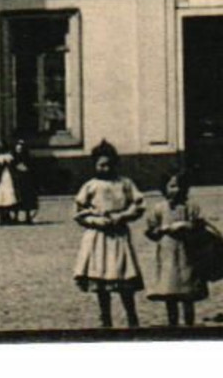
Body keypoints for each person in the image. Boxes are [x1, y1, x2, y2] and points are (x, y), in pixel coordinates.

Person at [73, 140, 146, 329]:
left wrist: (122, 216)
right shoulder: (90, 186)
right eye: (101, 165)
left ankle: (132, 316)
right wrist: (95, 221)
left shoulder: (124, 183)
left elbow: (137, 205)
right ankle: (105, 317)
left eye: (109, 164)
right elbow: (79, 213)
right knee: (100, 280)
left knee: (123, 277)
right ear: (95, 165)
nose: (105, 168)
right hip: (98, 238)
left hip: (119, 237)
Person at [145, 173, 209, 327]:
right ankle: (172, 323)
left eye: (181, 186)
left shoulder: (192, 207)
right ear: (164, 188)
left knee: (188, 292)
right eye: (172, 186)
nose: (177, 190)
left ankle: (189, 324)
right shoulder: (159, 208)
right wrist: (162, 230)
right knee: (170, 291)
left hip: (188, 253)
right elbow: (151, 231)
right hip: (167, 253)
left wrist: (187, 226)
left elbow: (200, 226)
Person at [0, 144, 20, 225]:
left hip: (0, 182)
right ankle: (6, 216)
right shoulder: (10, 159)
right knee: (8, 198)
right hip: (8, 180)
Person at [12, 139, 40, 224]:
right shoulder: (13, 159)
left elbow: (33, 169)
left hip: (26, 182)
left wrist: (27, 170)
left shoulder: (28, 158)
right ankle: (15, 216)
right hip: (17, 181)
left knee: (27, 199)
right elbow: (11, 169)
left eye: (21, 149)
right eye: (18, 149)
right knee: (16, 199)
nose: (19, 151)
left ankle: (28, 216)